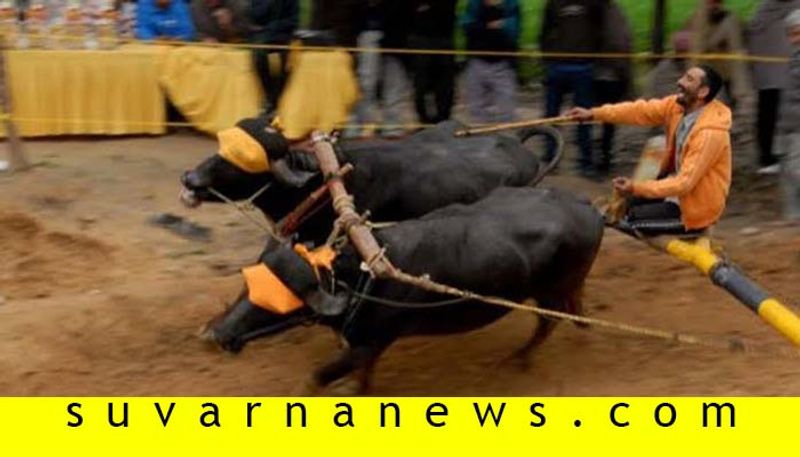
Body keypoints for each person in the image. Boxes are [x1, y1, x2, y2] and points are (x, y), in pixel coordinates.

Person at [568, 65, 731, 235]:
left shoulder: (709, 134)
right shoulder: (676, 106)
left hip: (695, 209)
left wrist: (636, 187)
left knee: (631, 219)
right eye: (683, 76)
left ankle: (702, 238)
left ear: (702, 92)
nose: (679, 81)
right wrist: (594, 114)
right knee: (624, 206)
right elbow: (639, 110)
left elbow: (684, 183)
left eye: (689, 79)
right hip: (676, 191)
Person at [539, 0, 606, 178]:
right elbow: (545, 31)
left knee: (584, 117)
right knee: (551, 115)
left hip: (583, 67)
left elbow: (600, 29)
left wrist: (594, 59)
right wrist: (548, 59)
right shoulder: (553, 3)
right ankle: (550, 157)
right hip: (557, 66)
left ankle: (585, 162)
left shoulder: (593, 4)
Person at [747, 0, 800, 175]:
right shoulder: (763, 10)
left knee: (783, 112)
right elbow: (754, 37)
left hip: (786, 71)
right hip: (770, 73)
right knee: (768, 114)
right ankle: (767, 158)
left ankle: (778, 155)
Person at [462, 0, 521, 125]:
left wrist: (500, 24)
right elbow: (467, 27)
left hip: (504, 64)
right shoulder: (474, 4)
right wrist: (489, 25)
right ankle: (479, 141)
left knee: (507, 110)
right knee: (476, 110)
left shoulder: (512, 5)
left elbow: (514, 31)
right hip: (477, 62)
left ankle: (505, 140)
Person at [593, 0, 632, 175]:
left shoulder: (608, 12)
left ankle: (602, 158)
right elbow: (622, 43)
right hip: (605, 74)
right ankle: (602, 158)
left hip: (605, 74)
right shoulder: (612, 12)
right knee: (605, 120)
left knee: (604, 119)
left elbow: (620, 43)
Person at [408, 0, 458, 125]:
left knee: (445, 85)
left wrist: (429, 6)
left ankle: (443, 120)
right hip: (420, 39)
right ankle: (424, 121)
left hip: (444, 39)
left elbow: (446, 10)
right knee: (421, 85)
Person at [249, 0, 298, 115]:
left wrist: (273, 27)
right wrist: (269, 4)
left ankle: (276, 101)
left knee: (283, 67)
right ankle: (270, 99)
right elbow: (255, 15)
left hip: (282, 38)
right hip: (264, 39)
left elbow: (294, 21)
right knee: (261, 61)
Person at [776, 9, 800, 221]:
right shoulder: (793, 57)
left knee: (795, 168)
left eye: (798, 32)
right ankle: (793, 214)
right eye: (792, 33)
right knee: (786, 168)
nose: (795, 38)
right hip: (788, 122)